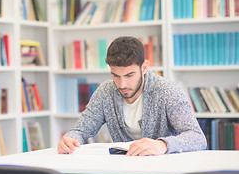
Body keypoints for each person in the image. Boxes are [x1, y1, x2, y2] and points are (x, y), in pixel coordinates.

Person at [57, 36, 207, 156]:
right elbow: (80, 131)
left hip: (164, 171)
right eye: (115, 76)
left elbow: (197, 138)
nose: (122, 84)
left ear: (144, 67)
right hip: (124, 171)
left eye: (129, 75)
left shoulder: (167, 91)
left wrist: (163, 145)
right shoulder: (105, 92)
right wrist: (70, 140)